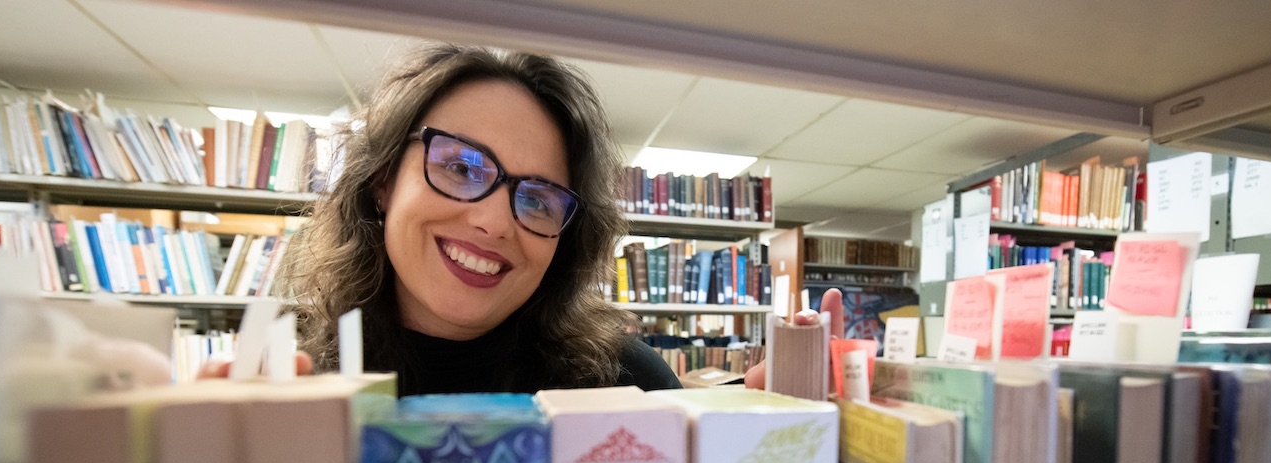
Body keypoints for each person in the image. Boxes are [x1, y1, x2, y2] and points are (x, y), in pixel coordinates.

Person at [201, 43, 843, 393]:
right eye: (459, 166)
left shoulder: (625, 383)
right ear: (380, 182)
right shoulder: (289, 379)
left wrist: (764, 434)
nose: (493, 222)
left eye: (536, 198)